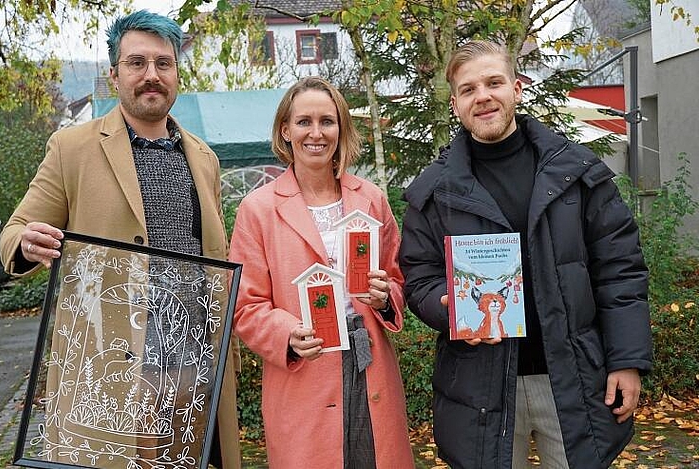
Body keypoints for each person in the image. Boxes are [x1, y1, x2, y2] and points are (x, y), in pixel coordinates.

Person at [0, 10, 240, 469]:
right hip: (110, 369)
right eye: (137, 63)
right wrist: (27, 242)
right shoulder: (71, 148)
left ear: (175, 73)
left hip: (194, 369)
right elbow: (13, 232)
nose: (152, 75)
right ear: (114, 74)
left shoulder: (204, 158)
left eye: (163, 63)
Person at [398, 40, 652, 469]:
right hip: (480, 387)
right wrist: (446, 306)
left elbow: (620, 270)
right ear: (456, 104)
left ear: (516, 88)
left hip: (572, 379)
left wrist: (626, 360)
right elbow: (419, 277)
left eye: (494, 82)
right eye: (468, 89)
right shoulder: (434, 190)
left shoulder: (576, 173)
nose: (483, 96)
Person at [228, 76, 414, 469]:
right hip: (305, 371)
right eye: (304, 122)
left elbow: (398, 279)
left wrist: (385, 298)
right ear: (285, 130)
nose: (316, 133)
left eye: (327, 121)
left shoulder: (371, 199)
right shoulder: (257, 209)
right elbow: (245, 306)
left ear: (341, 129)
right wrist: (286, 334)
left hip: (370, 366)